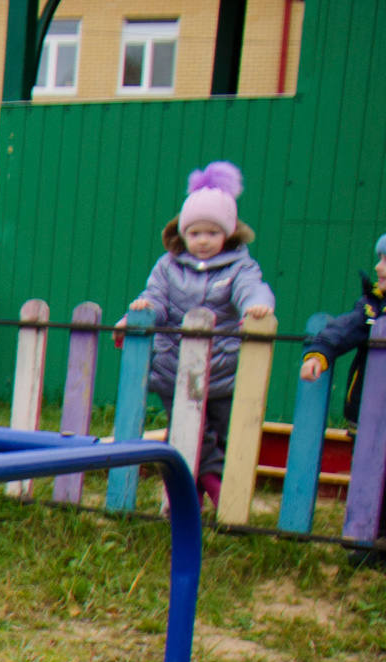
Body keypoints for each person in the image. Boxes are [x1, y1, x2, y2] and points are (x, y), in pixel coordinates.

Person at [121, 162, 274, 501]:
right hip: (174, 369)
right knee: (193, 435)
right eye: (195, 233)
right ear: (182, 234)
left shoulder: (239, 266)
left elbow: (252, 288)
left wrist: (257, 305)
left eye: (212, 233)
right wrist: (138, 313)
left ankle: (193, 495)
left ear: (229, 233)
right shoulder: (168, 266)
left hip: (221, 371)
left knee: (218, 436)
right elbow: (154, 298)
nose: (203, 241)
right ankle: (216, 494)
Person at [301, 231, 386, 426]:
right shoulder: (371, 307)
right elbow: (344, 328)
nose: (377, 267)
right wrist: (318, 354)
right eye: (379, 259)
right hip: (366, 413)